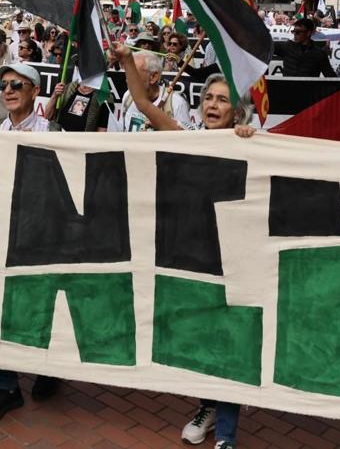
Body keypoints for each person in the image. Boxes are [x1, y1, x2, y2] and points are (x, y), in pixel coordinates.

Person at [111, 42, 252, 448]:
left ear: (236, 113)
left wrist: (249, 139)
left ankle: (226, 431)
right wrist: (125, 61)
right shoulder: (184, 136)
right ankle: (208, 407)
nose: (212, 104)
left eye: (223, 100)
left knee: (226, 341)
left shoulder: (249, 143)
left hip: (232, 260)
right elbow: (141, 100)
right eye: (208, 97)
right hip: (189, 257)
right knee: (200, 339)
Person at [0, 62, 61, 422]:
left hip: (42, 233)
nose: (7, 90)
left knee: (41, 306)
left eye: (17, 85)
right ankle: (5, 386)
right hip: (1, 232)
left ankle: (48, 368)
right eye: (4, 84)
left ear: (34, 92)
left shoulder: (53, 130)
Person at [113, 49, 191, 131]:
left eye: (134, 74)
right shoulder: (128, 96)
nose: (127, 80)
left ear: (153, 77)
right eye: (128, 74)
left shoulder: (176, 103)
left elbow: (187, 139)